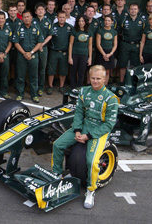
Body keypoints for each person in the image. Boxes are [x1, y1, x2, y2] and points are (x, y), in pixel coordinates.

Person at [51, 65, 119, 209]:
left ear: (105, 79)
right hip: (83, 126)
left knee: (92, 161)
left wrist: (88, 136)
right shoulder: (84, 92)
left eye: (98, 79)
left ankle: (91, 190)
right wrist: (76, 130)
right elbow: (79, 113)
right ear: (89, 78)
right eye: (93, 78)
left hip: (99, 132)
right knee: (57, 145)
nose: (95, 81)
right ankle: (56, 175)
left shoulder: (111, 99)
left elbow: (109, 124)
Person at [13, 11, 44, 103]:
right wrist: (24, 53)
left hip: (33, 55)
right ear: (22, 18)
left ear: (31, 18)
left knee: (33, 76)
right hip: (21, 56)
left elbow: (40, 42)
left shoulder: (36, 28)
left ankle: (34, 95)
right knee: (20, 76)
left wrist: (31, 52)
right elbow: (16, 42)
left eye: (28, 16)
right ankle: (20, 94)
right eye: (24, 17)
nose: (26, 18)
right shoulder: (19, 28)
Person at [117, 3, 144, 83]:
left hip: (136, 45)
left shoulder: (141, 21)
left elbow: (144, 34)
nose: (133, 11)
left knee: (135, 65)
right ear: (128, 10)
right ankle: (121, 82)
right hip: (125, 44)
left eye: (135, 9)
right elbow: (119, 32)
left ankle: (133, 82)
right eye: (131, 9)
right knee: (122, 65)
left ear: (138, 10)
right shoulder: (124, 19)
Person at [47, 11, 72, 94]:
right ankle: (50, 86)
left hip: (64, 52)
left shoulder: (70, 27)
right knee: (51, 70)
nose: (61, 19)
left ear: (66, 18)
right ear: (57, 18)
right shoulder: (52, 26)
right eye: (60, 17)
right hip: (54, 51)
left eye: (63, 17)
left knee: (63, 70)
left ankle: (61, 86)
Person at [68, 16, 93, 88]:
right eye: (79, 21)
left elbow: (90, 45)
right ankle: (72, 87)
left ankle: (79, 88)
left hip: (84, 55)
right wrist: (70, 57)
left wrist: (90, 57)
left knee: (81, 72)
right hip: (75, 54)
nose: (81, 23)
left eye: (82, 21)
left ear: (85, 22)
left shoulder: (89, 32)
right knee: (73, 72)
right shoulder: (74, 31)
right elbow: (70, 44)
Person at [34, 3, 53, 96]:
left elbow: (50, 35)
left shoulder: (48, 21)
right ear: (36, 11)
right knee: (34, 68)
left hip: (43, 48)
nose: (40, 11)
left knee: (42, 68)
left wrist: (42, 44)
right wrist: (37, 46)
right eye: (38, 9)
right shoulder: (33, 21)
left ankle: (41, 87)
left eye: (42, 9)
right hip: (34, 48)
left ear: (45, 11)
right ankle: (34, 87)